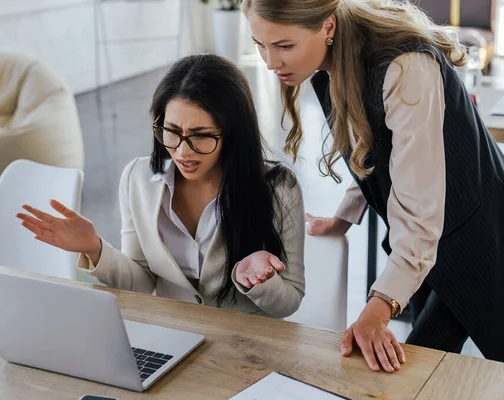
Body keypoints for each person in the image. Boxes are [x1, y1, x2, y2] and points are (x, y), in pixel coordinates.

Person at [243, 0, 504, 372]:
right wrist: (344, 216)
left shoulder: (406, 67)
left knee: (415, 362)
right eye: (260, 45)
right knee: (420, 364)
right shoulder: (335, 63)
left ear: (329, 27)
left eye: (285, 46)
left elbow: (419, 207)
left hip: (478, 235)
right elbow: (377, 153)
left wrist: (379, 306)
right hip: (425, 239)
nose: (271, 62)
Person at [17, 54, 305, 318]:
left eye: (201, 136)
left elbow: (289, 301)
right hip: (173, 336)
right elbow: (142, 282)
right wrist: (95, 248)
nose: (182, 151)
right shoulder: (137, 179)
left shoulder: (279, 188)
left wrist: (259, 281)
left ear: (233, 133)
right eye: (171, 132)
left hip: (245, 346)